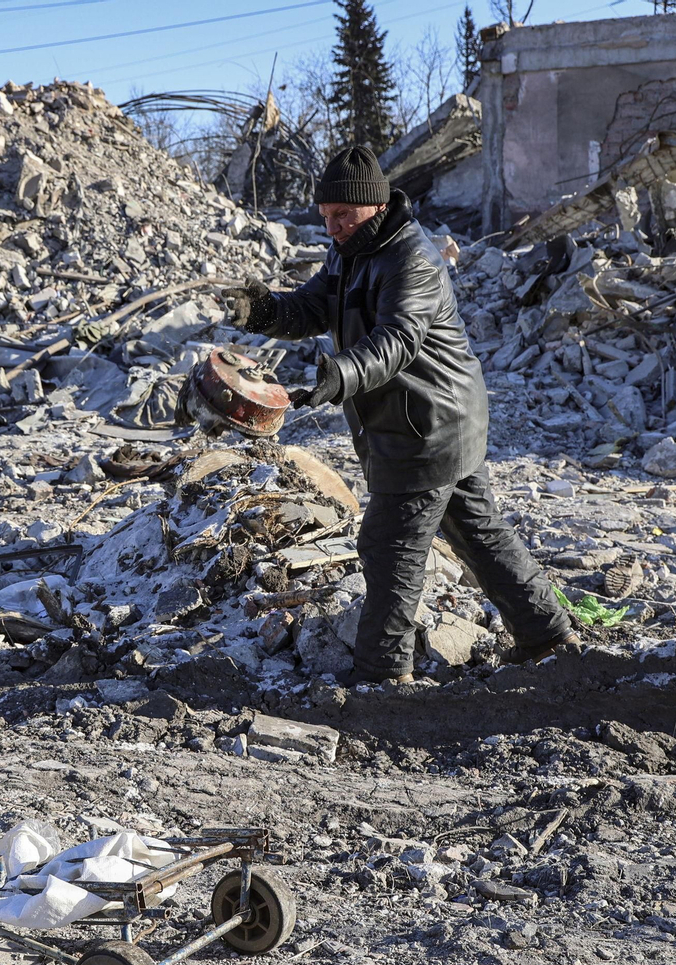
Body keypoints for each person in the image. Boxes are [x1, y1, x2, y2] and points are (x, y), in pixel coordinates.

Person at [220, 145, 579, 684]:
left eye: (343, 215)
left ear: (375, 206)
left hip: (427, 427)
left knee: (389, 546)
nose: (333, 227)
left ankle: (382, 676)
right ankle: (550, 639)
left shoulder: (414, 258)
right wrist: (264, 310)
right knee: (478, 532)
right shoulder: (349, 251)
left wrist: (338, 375)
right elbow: (314, 306)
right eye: (326, 218)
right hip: (429, 420)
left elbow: (397, 341)